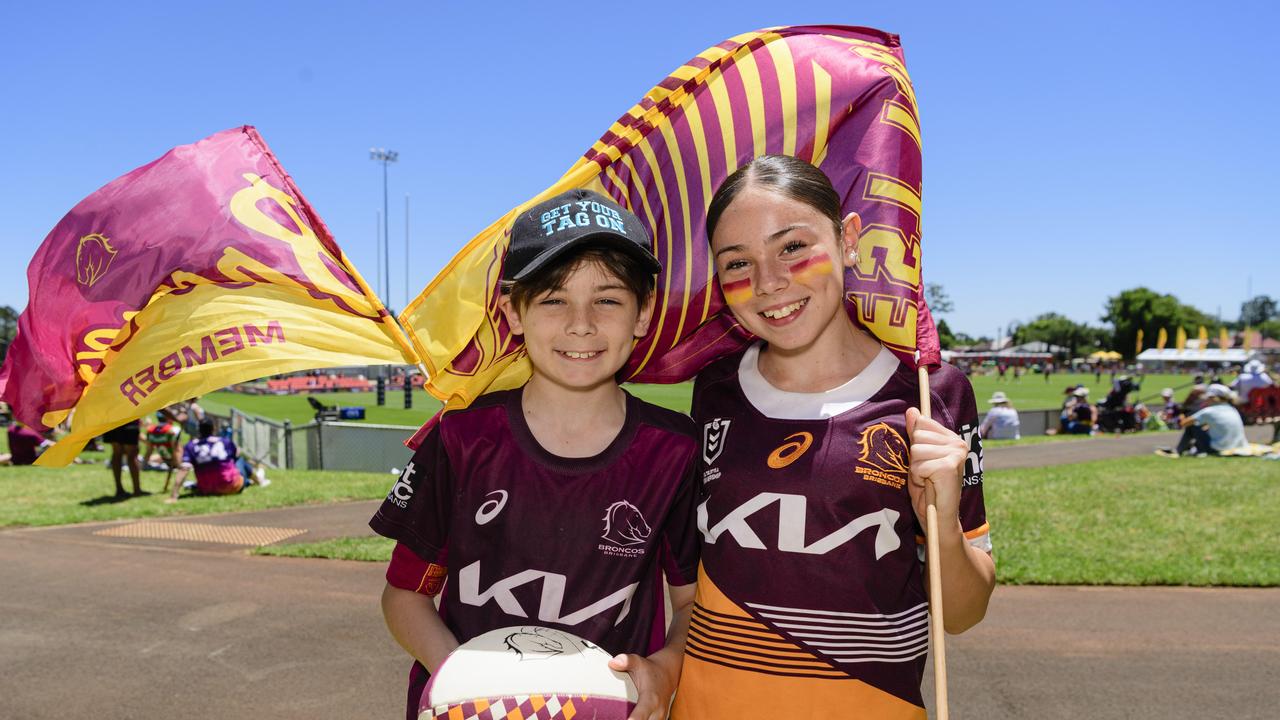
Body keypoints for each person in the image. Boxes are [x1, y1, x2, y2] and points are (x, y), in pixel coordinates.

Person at [671, 156, 993, 719]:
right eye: (738, 262)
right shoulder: (715, 390)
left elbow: (962, 614)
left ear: (848, 240)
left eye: (792, 247)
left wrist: (941, 525)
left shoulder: (929, 393)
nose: (768, 283)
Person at [368, 189, 701, 720]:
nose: (581, 323)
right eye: (552, 299)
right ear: (513, 312)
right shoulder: (461, 439)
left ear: (643, 314)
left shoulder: (675, 450)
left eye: (609, 299)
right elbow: (404, 597)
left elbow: (690, 603)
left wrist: (665, 669)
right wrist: (468, 682)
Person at [1159, 384, 1249, 457]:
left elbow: (1184, 423)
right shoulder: (1232, 409)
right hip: (1237, 445)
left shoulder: (1209, 411)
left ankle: (1179, 450)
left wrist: (1181, 415)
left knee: (1192, 426)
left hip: (1218, 448)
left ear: (1212, 398)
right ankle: (1184, 449)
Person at [165, 419, 244, 501]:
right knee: (241, 461)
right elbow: (235, 458)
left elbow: (184, 469)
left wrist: (174, 495)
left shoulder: (191, 446)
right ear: (213, 429)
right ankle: (255, 480)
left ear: (199, 430)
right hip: (231, 486)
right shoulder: (225, 441)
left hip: (206, 489)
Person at [102, 418, 143, 497]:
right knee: (131, 455)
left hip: (111, 421)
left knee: (117, 453)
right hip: (128, 420)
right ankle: (137, 490)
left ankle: (119, 489)